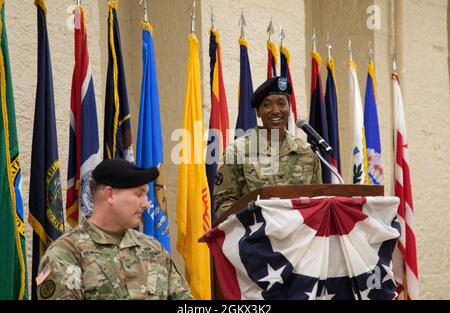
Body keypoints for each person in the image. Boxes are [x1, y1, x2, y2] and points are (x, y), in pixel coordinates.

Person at [36, 159, 193, 300]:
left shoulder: (153, 249)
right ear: (110, 195)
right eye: (139, 194)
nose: (146, 204)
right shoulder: (65, 254)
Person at [214, 76, 322, 219]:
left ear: (289, 108)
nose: (275, 110)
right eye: (267, 105)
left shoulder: (306, 152)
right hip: (256, 236)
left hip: (300, 237)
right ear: (258, 112)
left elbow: (318, 199)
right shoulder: (237, 151)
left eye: (281, 103)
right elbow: (224, 203)